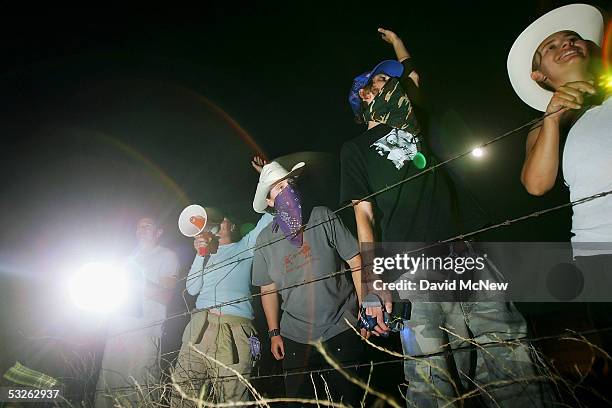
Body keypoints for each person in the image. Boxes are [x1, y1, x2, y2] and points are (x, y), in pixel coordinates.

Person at [341, 28, 549, 407]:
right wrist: (374, 282)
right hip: (412, 262)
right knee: (433, 368)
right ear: (366, 95)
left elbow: (413, 74)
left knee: (505, 346)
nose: (395, 84)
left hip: (464, 251)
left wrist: (399, 43)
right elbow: (364, 215)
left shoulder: (414, 122)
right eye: (382, 81)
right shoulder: (355, 150)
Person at [250, 160, 364, 406]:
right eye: (279, 188)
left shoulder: (321, 215)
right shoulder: (264, 240)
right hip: (295, 336)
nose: (288, 190)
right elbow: (267, 289)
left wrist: (365, 309)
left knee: (348, 401)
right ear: (269, 202)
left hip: (340, 326)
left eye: (290, 183)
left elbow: (356, 260)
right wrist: (274, 333)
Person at [171, 186, 273, 405]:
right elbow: (192, 289)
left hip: (233, 330)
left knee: (232, 398)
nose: (217, 223)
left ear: (233, 226)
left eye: (223, 219)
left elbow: (268, 219)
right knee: (183, 393)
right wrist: (200, 253)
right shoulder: (206, 254)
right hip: (199, 328)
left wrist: (269, 186)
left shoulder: (245, 247)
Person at [96, 216, 180, 407]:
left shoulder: (167, 256)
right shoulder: (125, 260)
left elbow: (167, 296)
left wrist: (137, 280)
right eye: (138, 226)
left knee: (141, 386)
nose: (141, 229)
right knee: (110, 384)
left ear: (158, 232)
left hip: (146, 330)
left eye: (147, 225)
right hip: (117, 330)